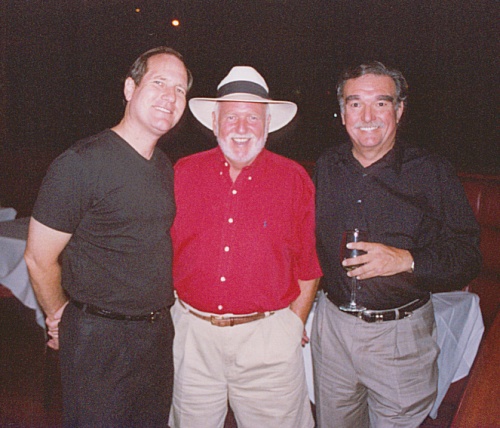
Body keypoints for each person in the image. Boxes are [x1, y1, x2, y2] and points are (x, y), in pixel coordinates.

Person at [24, 46, 192, 427]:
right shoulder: (81, 163)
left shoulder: (163, 167)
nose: (170, 96)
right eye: (159, 83)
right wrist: (60, 315)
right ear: (130, 88)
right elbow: (37, 257)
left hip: (155, 336)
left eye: (180, 89)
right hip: (99, 341)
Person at [312, 61, 482, 427]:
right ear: (343, 113)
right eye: (355, 103)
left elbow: (468, 255)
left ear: (399, 110)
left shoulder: (431, 171)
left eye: (381, 103)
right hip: (332, 329)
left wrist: (407, 260)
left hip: (400, 336)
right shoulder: (326, 167)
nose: (367, 116)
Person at [170, 66, 322, 428]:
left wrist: (291, 327)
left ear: (268, 124)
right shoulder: (182, 173)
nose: (241, 128)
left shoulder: (294, 179)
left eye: (253, 117)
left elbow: (308, 266)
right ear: (214, 122)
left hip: (268, 343)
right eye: (231, 117)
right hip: (192, 338)